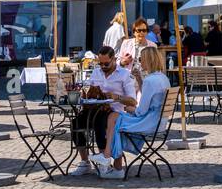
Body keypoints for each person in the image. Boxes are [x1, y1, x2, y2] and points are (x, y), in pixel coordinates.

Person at [95, 46, 172, 178]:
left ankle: (110, 160)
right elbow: (151, 96)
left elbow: (141, 112)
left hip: (149, 123)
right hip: (160, 121)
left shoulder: (150, 81)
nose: (140, 62)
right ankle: (108, 158)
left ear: (148, 60)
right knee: (115, 118)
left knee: (114, 118)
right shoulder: (162, 78)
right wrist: (140, 81)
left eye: (141, 59)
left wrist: (128, 108)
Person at [69, 45, 138, 176]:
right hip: (95, 109)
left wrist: (116, 97)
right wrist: (88, 94)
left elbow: (132, 101)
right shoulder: (96, 72)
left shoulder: (124, 75)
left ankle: (104, 161)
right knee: (75, 123)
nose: (103, 66)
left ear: (114, 59)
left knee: (99, 122)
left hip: (115, 111)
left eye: (106, 63)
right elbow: (91, 90)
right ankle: (85, 161)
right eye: (100, 63)